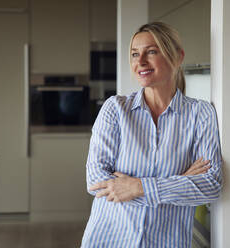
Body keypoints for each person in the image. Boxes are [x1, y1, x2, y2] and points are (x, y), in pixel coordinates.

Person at [81, 22, 222, 248]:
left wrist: (139, 187)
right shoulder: (115, 109)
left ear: (177, 57)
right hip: (108, 240)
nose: (140, 62)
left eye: (151, 52)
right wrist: (182, 182)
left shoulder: (200, 113)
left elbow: (210, 185)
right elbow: (96, 181)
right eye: (135, 54)